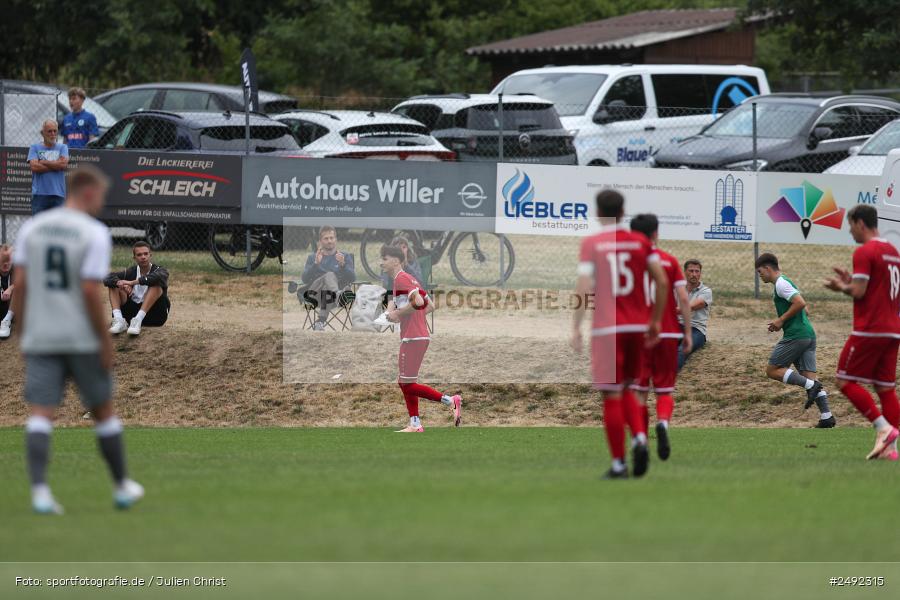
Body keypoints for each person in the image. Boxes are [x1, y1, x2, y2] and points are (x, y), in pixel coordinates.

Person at [11, 165, 143, 515]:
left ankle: (40, 492)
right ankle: (122, 486)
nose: (101, 202)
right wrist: (104, 340)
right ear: (87, 193)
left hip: (42, 333)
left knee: (41, 414)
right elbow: (87, 290)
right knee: (103, 410)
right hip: (81, 336)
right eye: (100, 195)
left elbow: (20, 285)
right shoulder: (93, 232)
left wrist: (23, 333)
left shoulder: (33, 228)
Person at [571, 191, 668, 479]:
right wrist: (655, 321)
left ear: (598, 212)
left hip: (607, 328)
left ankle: (618, 464)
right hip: (637, 327)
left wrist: (576, 326)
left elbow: (583, 286)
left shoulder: (592, 243)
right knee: (628, 387)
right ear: (623, 211)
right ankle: (639, 437)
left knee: (611, 393)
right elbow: (661, 282)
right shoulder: (641, 242)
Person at [825, 204, 900, 460]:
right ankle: (890, 450)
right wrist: (851, 281)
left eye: (850, 225)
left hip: (871, 328)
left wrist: (841, 287)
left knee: (844, 380)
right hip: (893, 330)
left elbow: (859, 291)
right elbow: (875, 286)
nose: (850, 231)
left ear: (860, 223)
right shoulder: (893, 251)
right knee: (885, 388)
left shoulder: (865, 251)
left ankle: (884, 429)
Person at [628, 214, 692, 461]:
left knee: (639, 391)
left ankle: (640, 438)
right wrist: (687, 332)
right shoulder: (668, 260)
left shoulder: (627, 263)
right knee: (664, 389)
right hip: (667, 332)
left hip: (638, 334)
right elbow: (683, 298)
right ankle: (663, 422)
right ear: (656, 234)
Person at [381, 245, 461, 432]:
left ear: (396, 261)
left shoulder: (401, 278)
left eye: (384, 258)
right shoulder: (409, 278)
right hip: (419, 336)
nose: (381, 263)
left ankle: (451, 400)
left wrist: (398, 314)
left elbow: (417, 302)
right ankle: (415, 423)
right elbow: (429, 305)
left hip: (413, 337)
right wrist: (403, 315)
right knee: (405, 381)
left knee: (406, 384)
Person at [755, 253, 834, 428]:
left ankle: (811, 386)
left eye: (760, 272)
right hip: (808, 335)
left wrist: (781, 320)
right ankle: (827, 416)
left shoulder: (781, 284)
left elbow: (800, 303)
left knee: (772, 370)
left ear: (767, 268)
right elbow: (804, 309)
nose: (759, 275)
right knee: (808, 377)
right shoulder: (786, 281)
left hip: (796, 336)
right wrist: (790, 319)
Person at [105, 241, 170, 336]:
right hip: (131, 315)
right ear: (134, 258)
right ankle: (119, 320)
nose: (143, 257)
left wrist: (132, 282)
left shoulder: (159, 270)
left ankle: (138, 319)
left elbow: (158, 277)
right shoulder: (131, 271)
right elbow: (107, 278)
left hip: (155, 315)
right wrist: (121, 284)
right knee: (113, 285)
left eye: (146, 254)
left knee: (156, 285)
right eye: (139, 255)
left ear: (150, 255)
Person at [301, 225, 356, 330]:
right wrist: (315, 264)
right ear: (320, 241)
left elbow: (353, 278)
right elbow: (304, 279)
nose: (329, 241)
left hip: (330, 297)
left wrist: (343, 265)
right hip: (314, 294)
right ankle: (338, 295)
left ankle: (320, 322)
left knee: (327, 290)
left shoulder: (344, 256)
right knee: (329, 275)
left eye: (331, 238)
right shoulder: (313, 257)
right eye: (326, 238)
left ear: (336, 239)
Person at [677, 259, 712, 370]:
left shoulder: (706, 291)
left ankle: (670, 374)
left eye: (697, 271)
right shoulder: (677, 289)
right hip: (677, 325)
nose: (694, 274)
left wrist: (670, 310)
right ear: (685, 272)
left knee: (683, 349)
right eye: (691, 271)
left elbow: (691, 306)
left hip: (696, 330)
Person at [28, 120, 69, 215]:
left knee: (58, 224)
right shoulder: (34, 147)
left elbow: (63, 165)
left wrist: (43, 161)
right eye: (49, 131)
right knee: (38, 224)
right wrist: (56, 165)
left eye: (55, 131)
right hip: (39, 195)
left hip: (58, 194)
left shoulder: (63, 147)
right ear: (42, 133)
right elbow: (34, 167)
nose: (53, 134)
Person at [0, 244, 14, 339]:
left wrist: (11, 288)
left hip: (14, 307)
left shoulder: (17, 266)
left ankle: (6, 320)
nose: (5, 264)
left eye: (8, 260)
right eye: (2, 260)